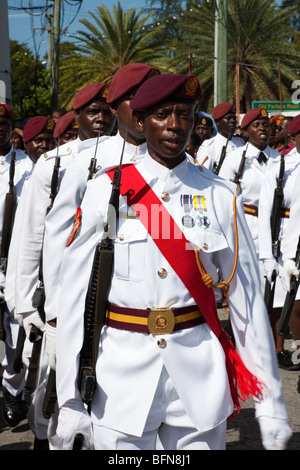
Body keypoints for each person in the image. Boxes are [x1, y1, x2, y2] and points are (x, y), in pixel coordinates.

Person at [52, 74, 291, 451]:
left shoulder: (218, 195)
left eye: (185, 114)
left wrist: (271, 402)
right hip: (120, 382)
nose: (176, 126)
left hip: (198, 382)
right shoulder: (108, 190)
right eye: (163, 114)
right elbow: (74, 298)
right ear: (141, 119)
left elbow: (246, 303)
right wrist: (68, 398)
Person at [12, 83, 115, 448]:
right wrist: (25, 302)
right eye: (93, 111)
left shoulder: (128, 157)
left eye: (107, 111)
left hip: (107, 292)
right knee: (50, 387)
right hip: (58, 296)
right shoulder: (54, 163)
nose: (102, 118)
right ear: (77, 115)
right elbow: (31, 236)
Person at [42, 63, 160, 341]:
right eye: (136, 98)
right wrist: (56, 313)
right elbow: (59, 234)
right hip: (99, 299)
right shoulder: (88, 160)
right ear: (115, 107)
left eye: (153, 98)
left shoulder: (177, 162)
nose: (145, 106)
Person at [4, 116, 55, 448]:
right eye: (40, 139)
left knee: (19, 342)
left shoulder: (28, 167)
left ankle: (14, 392)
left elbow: (28, 232)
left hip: (17, 261)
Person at [0, 104, 36, 428]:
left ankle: (12, 390)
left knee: (14, 333)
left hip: (9, 258)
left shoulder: (25, 167)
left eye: (4, 123)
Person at [258, 114, 300, 371]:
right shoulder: (283, 169)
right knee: (290, 303)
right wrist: (267, 257)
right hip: (289, 246)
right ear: (295, 139)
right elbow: (266, 216)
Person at [196, 103, 243, 172]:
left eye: (234, 118)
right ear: (217, 122)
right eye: (228, 118)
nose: (233, 121)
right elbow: (204, 175)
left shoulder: (240, 145)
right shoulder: (210, 146)